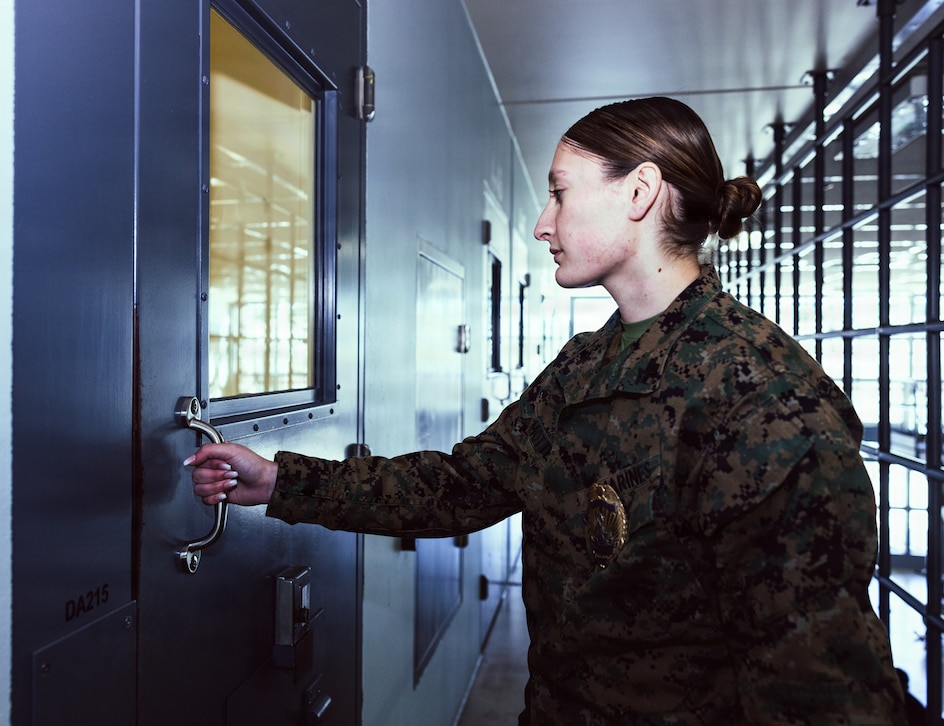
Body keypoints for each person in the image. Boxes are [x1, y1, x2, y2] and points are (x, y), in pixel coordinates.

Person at [185, 96, 906, 724]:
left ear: (640, 192)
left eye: (560, 193)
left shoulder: (759, 395)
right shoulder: (586, 366)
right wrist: (282, 481)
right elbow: (465, 484)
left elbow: (817, 684)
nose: (541, 222)